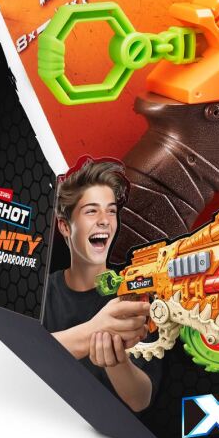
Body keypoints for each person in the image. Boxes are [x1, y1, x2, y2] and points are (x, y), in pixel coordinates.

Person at [42, 158, 159, 413]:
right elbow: (21, 357)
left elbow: (141, 398)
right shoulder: (42, 294)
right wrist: (94, 330)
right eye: (92, 211)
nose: (105, 220)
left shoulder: (134, 293)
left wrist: (117, 363)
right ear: (65, 226)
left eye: (111, 211)